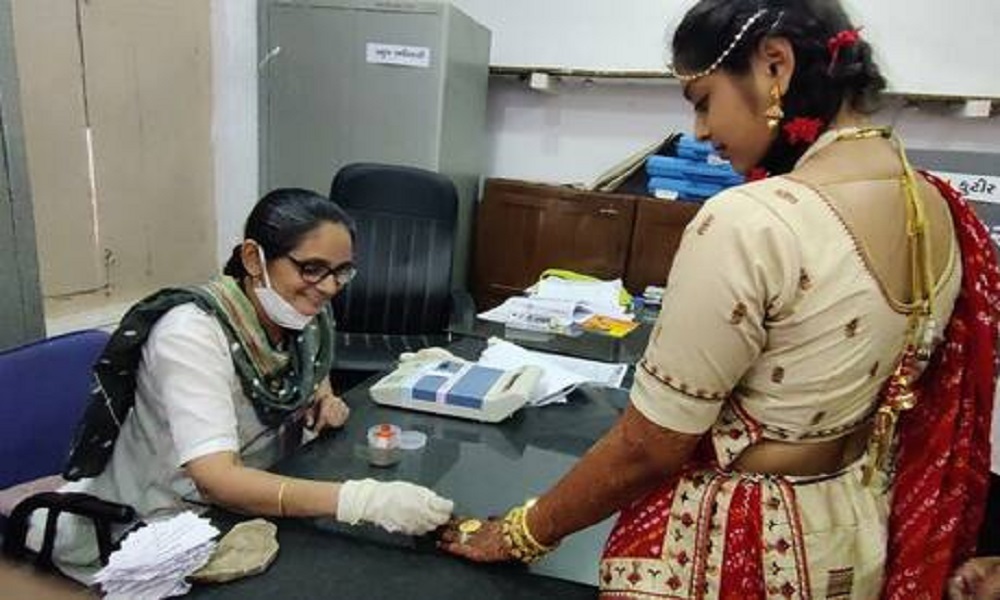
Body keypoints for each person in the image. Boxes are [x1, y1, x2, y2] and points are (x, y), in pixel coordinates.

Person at [440, 1, 1000, 598]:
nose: (702, 132)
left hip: (732, 550)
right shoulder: (936, 207)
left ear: (775, 66)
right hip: (854, 530)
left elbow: (647, 447)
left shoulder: (752, 220)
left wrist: (522, 533)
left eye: (703, 100)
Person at [26, 188, 453, 580]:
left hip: (255, 500)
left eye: (342, 272)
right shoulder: (192, 335)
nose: (328, 288)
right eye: (312, 268)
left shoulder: (306, 316)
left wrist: (323, 396)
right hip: (159, 525)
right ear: (253, 259)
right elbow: (217, 480)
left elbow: (308, 371)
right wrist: (362, 502)